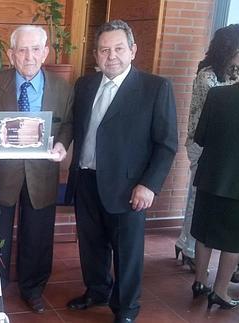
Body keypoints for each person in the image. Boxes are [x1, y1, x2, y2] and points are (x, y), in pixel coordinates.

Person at [62, 20, 178, 323]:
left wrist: (149, 185)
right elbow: (76, 128)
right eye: (104, 50)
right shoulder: (85, 85)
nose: (110, 55)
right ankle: (97, 290)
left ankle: (126, 308)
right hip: (86, 178)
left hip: (129, 188)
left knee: (127, 252)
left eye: (118, 48)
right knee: (91, 244)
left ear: (132, 51)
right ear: (96, 55)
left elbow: (166, 144)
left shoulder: (155, 88)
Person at [0, 25, 72, 313]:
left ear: (45, 52)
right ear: (11, 54)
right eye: (22, 49)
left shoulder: (62, 88)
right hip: (1, 173)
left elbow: (68, 124)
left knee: (37, 235)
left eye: (36, 49)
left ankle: (33, 288)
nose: (29, 56)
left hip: (43, 173)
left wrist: (62, 144)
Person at [174, 24, 239, 274]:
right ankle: (188, 247)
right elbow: (215, 112)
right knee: (196, 201)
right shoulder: (208, 76)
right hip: (201, 144)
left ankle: (189, 245)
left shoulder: (228, 75)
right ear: (229, 47)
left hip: (223, 148)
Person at [190, 83, 239, 310]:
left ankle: (199, 282)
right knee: (234, 240)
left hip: (210, 174)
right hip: (236, 183)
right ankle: (220, 291)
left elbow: (200, 136)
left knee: (203, 231)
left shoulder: (217, 93)